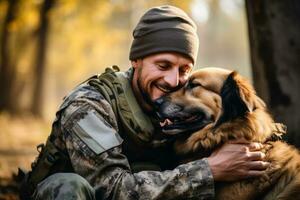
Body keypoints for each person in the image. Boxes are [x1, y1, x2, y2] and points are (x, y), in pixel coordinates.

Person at [20, 5, 269, 200]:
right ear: (136, 60)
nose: (173, 80)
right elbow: (110, 190)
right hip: (75, 194)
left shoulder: (180, 111)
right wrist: (209, 171)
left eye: (184, 70)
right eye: (163, 66)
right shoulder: (89, 105)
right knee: (67, 186)